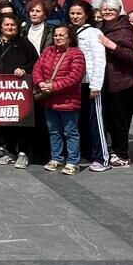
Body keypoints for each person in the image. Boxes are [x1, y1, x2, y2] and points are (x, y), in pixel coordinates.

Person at [91, 0, 133, 167]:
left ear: (119, 11)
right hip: (103, 81)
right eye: (105, 9)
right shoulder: (99, 27)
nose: (108, 12)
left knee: (119, 121)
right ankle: (110, 149)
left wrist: (111, 46)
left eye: (112, 9)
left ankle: (122, 155)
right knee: (107, 119)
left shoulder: (125, 30)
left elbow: (131, 57)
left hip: (121, 82)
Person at [0, 12, 39, 169]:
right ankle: (9, 151)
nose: (9, 27)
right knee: (4, 123)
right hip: (0, 90)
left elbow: (35, 62)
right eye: (6, 25)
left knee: (21, 122)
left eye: (12, 25)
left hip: (19, 91)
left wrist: (24, 69)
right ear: (0, 27)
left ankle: (23, 153)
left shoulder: (24, 43)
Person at [33, 24, 86, 174]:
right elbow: (37, 68)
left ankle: (73, 161)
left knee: (71, 132)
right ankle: (56, 158)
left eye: (62, 35)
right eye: (56, 35)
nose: (58, 38)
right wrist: (40, 82)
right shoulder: (48, 51)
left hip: (68, 100)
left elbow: (74, 77)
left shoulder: (76, 54)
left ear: (70, 37)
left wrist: (54, 86)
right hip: (49, 99)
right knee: (54, 131)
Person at [68, 0, 110, 171]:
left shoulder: (93, 32)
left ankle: (102, 158)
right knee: (82, 122)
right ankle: (88, 152)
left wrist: (96, 85)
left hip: (92, 84)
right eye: (72, 13)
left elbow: (99, 59)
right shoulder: (71, 32)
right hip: (77, 85)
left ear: (86, 15)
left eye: (79, 13)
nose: (75, 16)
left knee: (96, 122)